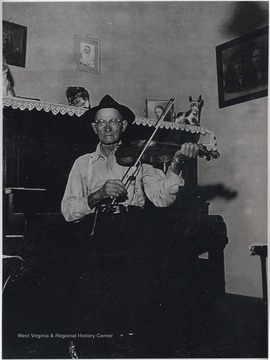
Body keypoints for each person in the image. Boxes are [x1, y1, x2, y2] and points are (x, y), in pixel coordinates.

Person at [61, 94, 200, 357]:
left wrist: (178, 164)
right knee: (95, 300)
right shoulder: (83, 164)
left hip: (135, 231)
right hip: (98, 232)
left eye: (114, 122)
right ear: (94, 127)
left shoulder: (141, 157)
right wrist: (97, 195)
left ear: (123, 126)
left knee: (146, 298)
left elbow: (162, 198)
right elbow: (68, 211)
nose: (108, 128)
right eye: (101, 123)